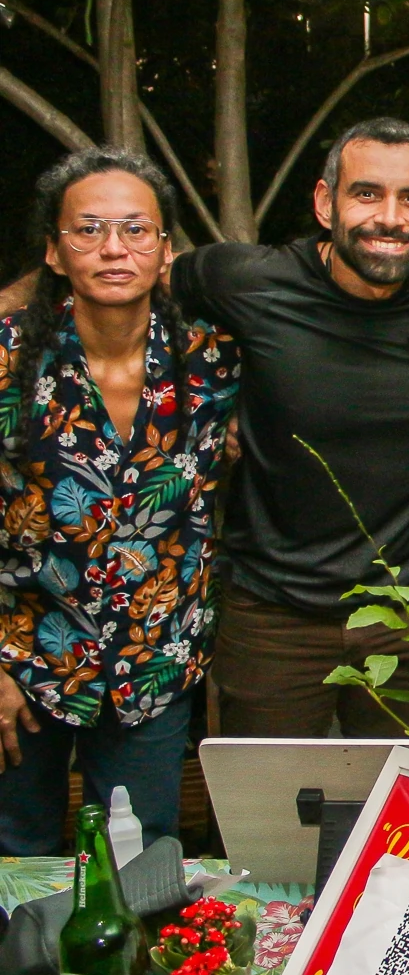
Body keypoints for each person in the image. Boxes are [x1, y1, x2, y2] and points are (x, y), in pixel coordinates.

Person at [171, 117, 409, 738]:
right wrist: (216, 400)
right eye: (367, 193)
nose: (390, 218)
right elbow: (129, 278)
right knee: (264, 819)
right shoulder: (249, 280)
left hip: (408, 609)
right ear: (326, 202)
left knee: (406, 821)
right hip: (273, 614)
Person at [0, 150, 240, 854]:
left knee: (143, 867)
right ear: (52, 250)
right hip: (24, 662)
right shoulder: (10, 360)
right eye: (89, 230)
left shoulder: (212, 360)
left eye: (136, 230)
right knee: (17, 867)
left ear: (165, 249)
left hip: (156, 665)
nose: (113, 248)